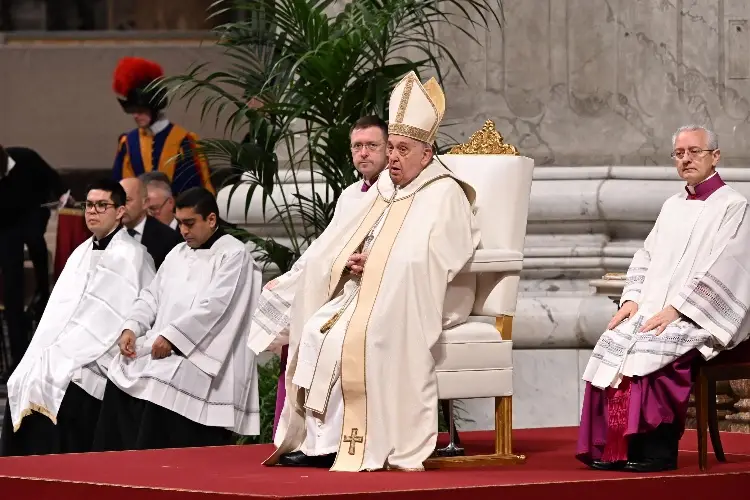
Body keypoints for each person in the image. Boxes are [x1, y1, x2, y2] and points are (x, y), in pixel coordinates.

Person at [248, 71, 480, 471]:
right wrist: (353, 260)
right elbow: (346, 243)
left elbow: (441, 256)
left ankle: (354, 441)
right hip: (369, 291)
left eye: (402, 149)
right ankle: (322, 442)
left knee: (351, 338)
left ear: (427, 154)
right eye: (390, 147)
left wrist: (378, 263)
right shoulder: (388, 189)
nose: (392, 157)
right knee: (315, 329)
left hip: (419, 297)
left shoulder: (445, 192)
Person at [577, 125, 749, 473]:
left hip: (698, 315)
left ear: (715, 156)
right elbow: (646, 255)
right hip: (655, 309)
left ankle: (658, 450)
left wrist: (678, 309)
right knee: (613, 340)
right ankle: (617, 449)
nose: (686, 159)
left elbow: (728, 268)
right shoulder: (672, 206)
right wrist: (632, 301)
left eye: (695, 151)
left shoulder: (734, 206)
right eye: (680, 153)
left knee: (652, 349)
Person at [92, 187, 262, 452]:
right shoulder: (177, 253)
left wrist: (172, 338)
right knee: (119, 368)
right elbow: (151, 296)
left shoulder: (233, 255)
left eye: (190, 223)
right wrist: (132, 328)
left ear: (212, 220)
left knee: (160, 382)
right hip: (168, 346)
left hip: (204, 358)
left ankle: (151, 465)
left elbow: (215, 309)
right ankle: (116, 464)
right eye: (180, 223)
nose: (183, 231)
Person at [1, 179, 155, 456]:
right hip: (67, 343)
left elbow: (137, 311)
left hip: (102, 351)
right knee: (24, 375)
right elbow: (61, 310)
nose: (92, 211)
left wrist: (80, 347)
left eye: (101, 205)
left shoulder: (134, 256)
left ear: (120, 211)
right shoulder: (79, 253)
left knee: (68, 380)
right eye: (88, 205)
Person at [271, 115, 391, 437]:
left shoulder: (395, 192)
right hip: (339, 283)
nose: (363, 153)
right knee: (291, 318)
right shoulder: (351, 194)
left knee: (316, 332)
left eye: (371, 146)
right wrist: (291, 276)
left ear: (387, 148)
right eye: (357, 146)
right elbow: (324, 246)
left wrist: (372, 260)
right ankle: (300, 434)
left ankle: (331, 437)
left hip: (372, 288)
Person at [0, 145, 67, 381]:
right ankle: (17, 359)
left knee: (36, 243)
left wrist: (62, 201)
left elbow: (55, 182)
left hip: (34, 215)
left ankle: (43, 295)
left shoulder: (25, 157)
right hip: (6, 226)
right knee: (11, 289)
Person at [110, 57, 215, 195]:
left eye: (141, 110)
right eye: (132, 110)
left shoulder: (184, 141)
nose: (135, 115)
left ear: (154, 107)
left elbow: (199, 190)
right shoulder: (128, 143)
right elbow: (119, 190)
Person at [120, 177, 182, 269]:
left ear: (145, 203)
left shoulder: (170, 239)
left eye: (127, 200)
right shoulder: (107, 234)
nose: (121, 206)